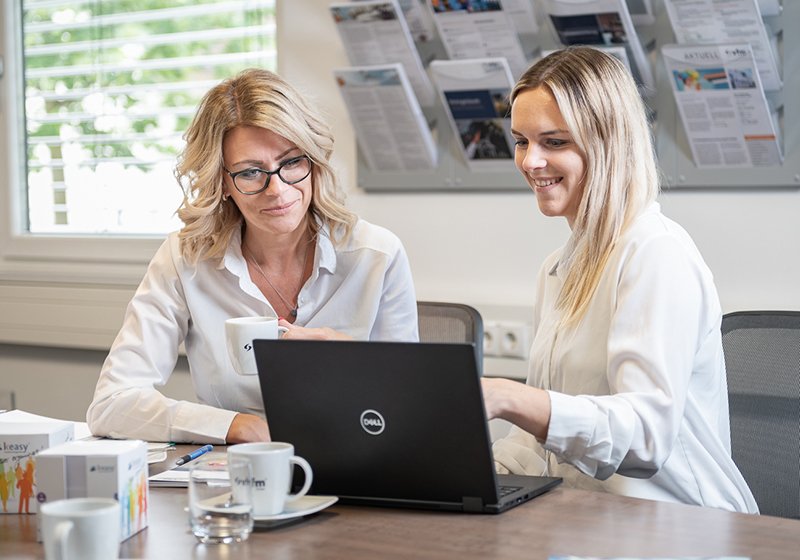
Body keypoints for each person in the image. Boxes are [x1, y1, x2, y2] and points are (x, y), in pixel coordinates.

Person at [482, 47, 757, 513]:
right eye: (521, 141)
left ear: (608, 142)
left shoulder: (657, 254)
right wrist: (464, 469)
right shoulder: (559, 268)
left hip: (680, 526)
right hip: (586, 518)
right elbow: (541, 444)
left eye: (553, 142)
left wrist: (511, 397)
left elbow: (644, 437)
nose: (529, 162)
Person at [87, 69, 418, 445]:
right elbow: (112, 403)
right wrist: (234, 426)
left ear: (314, 162)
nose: (276, 190)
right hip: (239, 472)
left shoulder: (376, 255)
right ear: (223, 182)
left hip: (362, 459)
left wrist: (354, 363)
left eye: (292, 162)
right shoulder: (186, 259)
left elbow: (412, 405)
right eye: (250, 172)